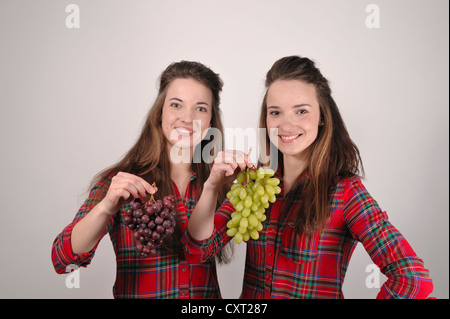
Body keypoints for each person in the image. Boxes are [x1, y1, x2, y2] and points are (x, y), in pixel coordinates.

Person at [183, 56, 434, 298]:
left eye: (301, 111)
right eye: (275, 112)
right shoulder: (256, 182)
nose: (286, 125)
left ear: (323, 116)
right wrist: (212, 186)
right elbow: (198, 252)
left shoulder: (345, 192)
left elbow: (412, 278)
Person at [51, 61, 234, 299]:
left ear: (210, 121)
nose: (188, 118)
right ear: (160, 113)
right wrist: (106, 206)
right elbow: (63, 261)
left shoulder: (221, 185)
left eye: (200, 108)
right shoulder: (119, 183)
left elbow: (200, 250)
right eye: (176, 105)